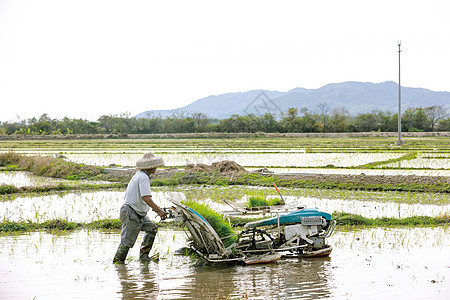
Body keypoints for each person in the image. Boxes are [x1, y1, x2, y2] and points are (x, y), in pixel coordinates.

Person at [113, 153, 167, 264]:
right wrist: (159, 210)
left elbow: (144, 198)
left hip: (138, 212)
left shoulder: (141, 175)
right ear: (150, 167)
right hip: (131, 212)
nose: (156, 168)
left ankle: (144, 257)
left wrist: (156, 208)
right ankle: (118, 263)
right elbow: (146, 197)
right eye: (155, 166)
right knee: (126, 242)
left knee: (152, 228)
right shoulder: (143, 177)